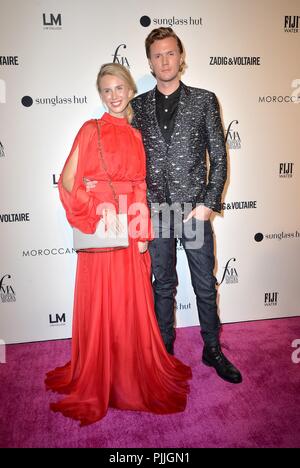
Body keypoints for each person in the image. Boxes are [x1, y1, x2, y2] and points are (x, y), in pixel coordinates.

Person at [45, 63, 192, 426]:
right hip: (102, 231)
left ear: (129, 91)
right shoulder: (89, 130)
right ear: (100, 95)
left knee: (128, 305)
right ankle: (100, 375)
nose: (114, 96)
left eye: (119, 89)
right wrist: (95, 212)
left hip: (129, 232)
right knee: (101, 306)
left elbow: (140, 186)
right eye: (106, 90)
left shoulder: (137, 135)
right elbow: (66, 182)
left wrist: (141, 234)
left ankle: (127, 374)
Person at [131, 27, 242, 384]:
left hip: (194, 213)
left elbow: (220, 159)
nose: (164, 60)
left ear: (181, 57)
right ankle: (162, 352)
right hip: (157, 214)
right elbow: (128, 160)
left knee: (204, 285)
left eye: (170, 53)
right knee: (161, 284)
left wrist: (209, 205)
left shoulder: (205, 100)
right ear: (149, 62)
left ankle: (212, 349)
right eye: (157, 55)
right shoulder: (138, 107)